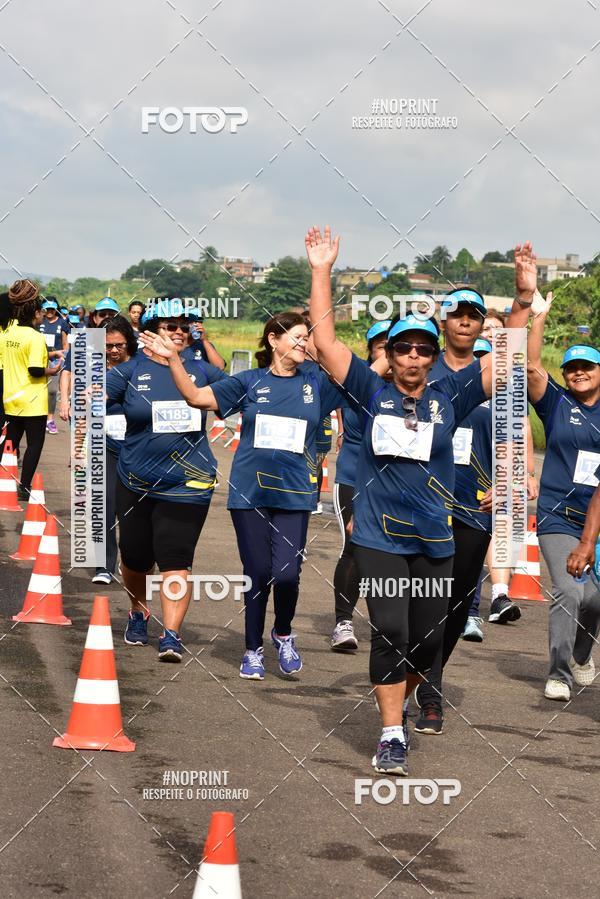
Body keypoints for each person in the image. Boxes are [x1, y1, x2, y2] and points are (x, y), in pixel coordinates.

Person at [305, 226, 510, 775]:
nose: (414, 357)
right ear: (390, 355)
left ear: (433, 354)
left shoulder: (452, 396)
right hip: (378, 536)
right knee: (391, 630)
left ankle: (410, 686)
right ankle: (391, 732)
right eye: (403, 348)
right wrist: (322, 270)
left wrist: (520, 302)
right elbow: (325, 344)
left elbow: (507, 360)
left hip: (435, 539)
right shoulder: (368, 394)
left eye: (423, 348)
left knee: (425, 641)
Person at [140, 310, 342, 680]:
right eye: (296, 336)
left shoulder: (317, 384)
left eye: (306, 337)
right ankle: (252, 649)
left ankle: (282, 632)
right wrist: (172, 359)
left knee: (286, 575)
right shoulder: (249, 381)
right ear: (273, 340)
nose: (303, 343)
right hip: (250, 493)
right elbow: (196, 397)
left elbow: (364, 374)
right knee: (258, 572)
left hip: (295, 494)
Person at [107, 299, 227, 661]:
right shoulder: (129, 371)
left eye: (183, 325)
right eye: (169, 325)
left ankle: (171, 634)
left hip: (187, 483)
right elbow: (94, 401)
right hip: (136, 480)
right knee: (135, 556)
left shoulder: (203, 372)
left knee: (176, 558)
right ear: (151, 331)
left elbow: (239, 400)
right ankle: (139, 609)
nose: (178, 331)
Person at [522, 272, 600, 700]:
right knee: (568, 590)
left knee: (594, 601)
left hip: (599, 518)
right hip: (558, 515)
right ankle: (558, 672)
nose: (578, 373)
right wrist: (539, 319)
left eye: (586, 366)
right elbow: (532, 366)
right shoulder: (556, 403)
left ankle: (583, 655)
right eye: (571, 368)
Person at [462, 314, 539, 642]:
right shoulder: (453, 392)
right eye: (477, 359)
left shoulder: (506, 391)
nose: (483, 365)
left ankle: (490, 601)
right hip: (451, 481)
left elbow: (520, 428)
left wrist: (526, 473)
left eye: (487, 358)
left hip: (492, 480)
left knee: (490, 535)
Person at [330, 319, 391, 651]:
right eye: (381, 346)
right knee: (354, 545)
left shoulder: (413, 386)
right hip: (353, 476)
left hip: (395, 483)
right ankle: (343, 621)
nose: (388, 351)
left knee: (390, 552)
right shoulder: (358, 381)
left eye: (391, 344)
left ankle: (388, 621)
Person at [0, 280, 56, 500]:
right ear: (34, 312)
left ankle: (6, 480)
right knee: (34, 444)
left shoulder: (7, 333)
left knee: (10, 443)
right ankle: (24, 486)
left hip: (10, 398)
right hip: (32, 401)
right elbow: (34, 370)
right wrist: (52, 371)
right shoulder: (34, 337)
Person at [94, 316, 138, 585]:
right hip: (104, 446)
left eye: (118, 345)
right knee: (104, 504)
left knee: (134, 511)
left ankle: (133, 563)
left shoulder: (141, 366)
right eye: (108, 345)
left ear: (129, 343)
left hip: (137, 448)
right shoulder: (94, 367)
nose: (113, 350)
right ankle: (103, 565)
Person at [37, 297, 68, 434]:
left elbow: (65, 343)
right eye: (47, 308)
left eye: (52, 308)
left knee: (52, 391)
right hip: (39, 358)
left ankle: (50, 419)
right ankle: (39, 418)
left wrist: (64, 358)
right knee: (38, 390)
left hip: (56, 361)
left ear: (56, 309)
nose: (49, 311)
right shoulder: (38, 322)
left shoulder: (62, 323)